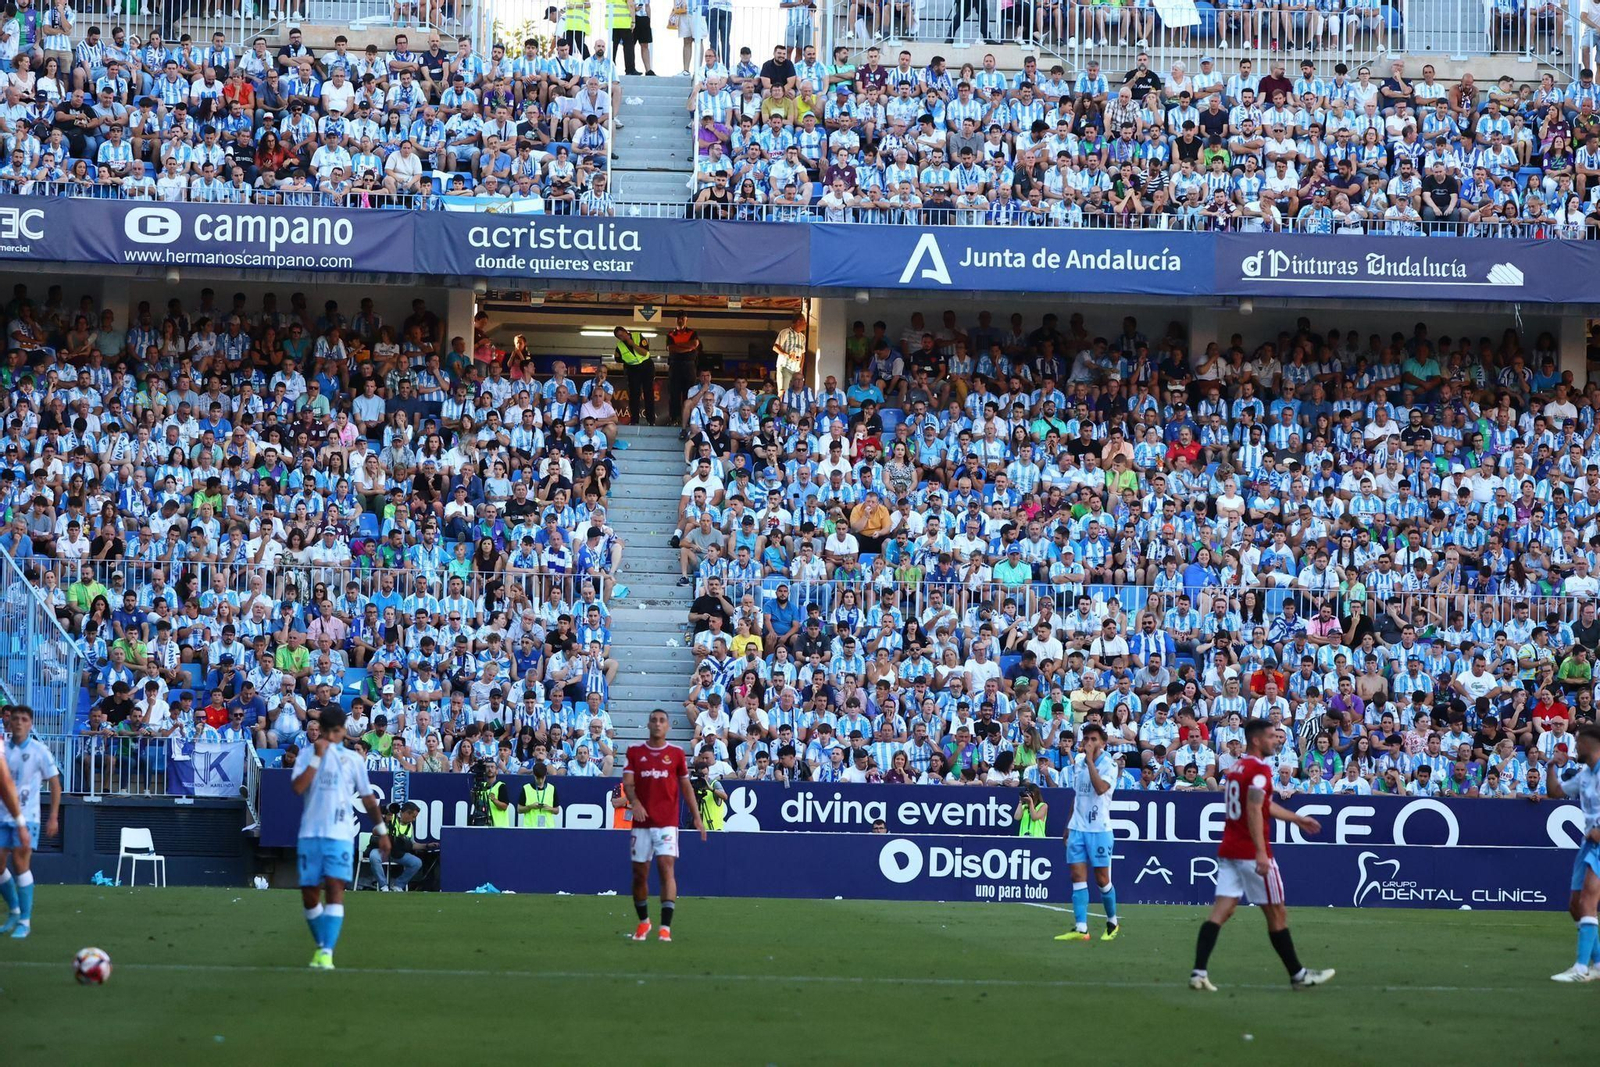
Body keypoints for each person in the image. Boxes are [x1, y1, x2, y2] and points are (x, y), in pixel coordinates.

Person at [1190, 719, 1335, 992]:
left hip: (1229, 849)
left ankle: (1198, 972)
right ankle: (1298, 974)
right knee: (1277, 913)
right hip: (1250, 852)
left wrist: (1296, 819)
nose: (1276, 740)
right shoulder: (1259, 770)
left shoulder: (1236, 768)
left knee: (1221, 911)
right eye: (1270, 736)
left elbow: (1261, 803)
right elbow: (1256, 810)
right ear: (1256, 740)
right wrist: (1260, 853)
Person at [290, 708, 389, 971]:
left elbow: (368, 797)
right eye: (329, 731)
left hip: (340, 834)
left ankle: (325, 951)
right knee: (310, 895)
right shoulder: (307, 755)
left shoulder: (353, 760)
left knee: (335, 889)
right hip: (311, 833)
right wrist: (317, 758)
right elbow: (298, 787)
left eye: (338, 731)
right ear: (321, 730)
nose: (333, 736)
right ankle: (324, 942)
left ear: (344, 731)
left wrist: (382, 829)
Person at [623, 707, 706, 942]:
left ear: (668, 726)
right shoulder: (635, 752)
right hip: (641, 824)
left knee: (666, 867)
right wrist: (635, 803)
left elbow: (686, 787)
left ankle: (665, 928)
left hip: (667, 822)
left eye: (662, 721)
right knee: (640, 874)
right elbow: (628, 784)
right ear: (648, 725)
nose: (658, 724)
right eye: (654, 720)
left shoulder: (677, 754)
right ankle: (644, 922)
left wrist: (697, 816)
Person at [1055, 722, 1119, 942]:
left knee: (1102, 880)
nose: (1089, 743)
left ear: (1102, 742)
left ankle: (1112, 921)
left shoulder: (1109, 764)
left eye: (1094, 739)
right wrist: (1067, 825)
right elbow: (1078, 795)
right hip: (1077, 828)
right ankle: (1081, 928)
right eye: (1087, 739)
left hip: (1099, 829)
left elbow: (1101, 789)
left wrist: (1090, 760)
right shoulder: (1080, 763)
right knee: (1077, 877)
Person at [1547, 725, 1600, 982]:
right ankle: (1598, 963)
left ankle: (1580, 968)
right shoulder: (1586, 774)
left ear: (1590, 743)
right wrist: (1550, 766)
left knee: (1589, 902)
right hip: (1588, 843)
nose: (1575, 747)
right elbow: (1555, 792)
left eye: (1578, 742)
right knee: (1575, 905)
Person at [0, 707, 57, 939]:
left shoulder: (39, 751)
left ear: (31, 724)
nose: (19, 723)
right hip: (2, 815)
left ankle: (25, 920)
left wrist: (53, 816)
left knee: (20, 862)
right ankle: (13, 910)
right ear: (9, 723)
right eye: (15, 719)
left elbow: (55, 783)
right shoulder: (3, 750)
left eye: (24, 719)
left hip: (29, 816)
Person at [369, 800, 425, 892]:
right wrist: (386, 822)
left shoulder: (410, 826)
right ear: (406, 813)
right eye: (413, 816)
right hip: (382, 850)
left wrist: (426, 846)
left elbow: (412, 844)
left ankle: (398, 885)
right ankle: (383, 886)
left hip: (398, 853)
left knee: (416, 863)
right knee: (374, 856)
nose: (414, 819)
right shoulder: (390, 817)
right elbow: (374, 831)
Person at [615, 324, 655, 426]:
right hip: (633, 370)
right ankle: (634, 421)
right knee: (634, 395)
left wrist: (632, 344)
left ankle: (651, 420)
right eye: (619, 336)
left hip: (646, 367)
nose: (622, 337)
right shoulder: (619, 346)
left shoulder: (638, 336)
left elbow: (644, 353)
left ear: (626, 331)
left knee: (648, 393)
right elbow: (618, 358)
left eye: (622, 334)